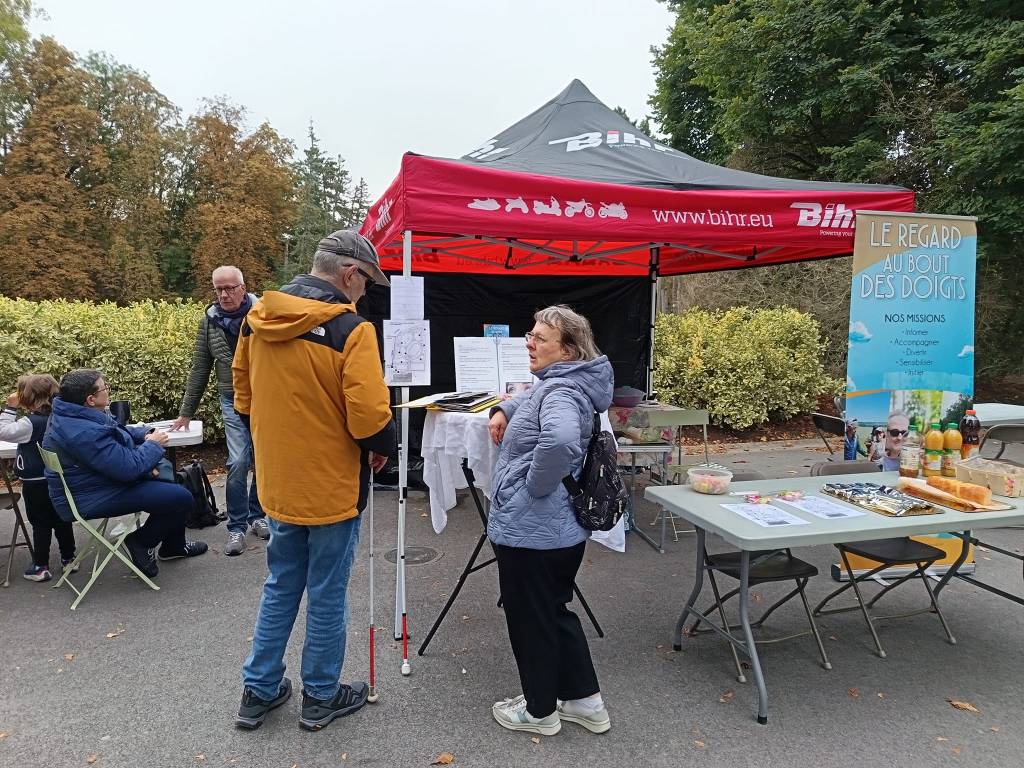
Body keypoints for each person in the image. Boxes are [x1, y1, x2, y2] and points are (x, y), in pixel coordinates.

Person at [233, 230, 397, 732]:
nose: (365, 292)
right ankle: (321, 696)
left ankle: (258, 690)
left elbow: (242, 397)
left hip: (278, 482)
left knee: (281, 584)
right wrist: (381, 450)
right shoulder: (353, 330)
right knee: (327, 592)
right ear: (350, 274)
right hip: (331, 486)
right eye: (366, 282)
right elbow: (370, 418)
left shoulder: (253, 322)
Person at [486, 305, 613, 737]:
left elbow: (558, 441)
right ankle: (586, 703)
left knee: (531, 618)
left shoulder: (561, 392)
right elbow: (539, 398)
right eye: (531, 333)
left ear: (569, 350)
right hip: (555, 530)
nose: (529, 342)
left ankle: (540, 711)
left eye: (541, 338)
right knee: (554, 611)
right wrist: (505, 407)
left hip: (535, 527)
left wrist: (531, 487)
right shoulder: (567, 383)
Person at [42, 369, 208, 578]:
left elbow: (117, 430)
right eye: (105, 388)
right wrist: (153, 447)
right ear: (91, 399)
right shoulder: (82, 431)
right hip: (88, 496)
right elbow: (128, 470)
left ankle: (174, 547)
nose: (108, 391)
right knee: (180, 497)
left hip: (92, 484)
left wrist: (146, 434)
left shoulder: (72, 413)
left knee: (173, 485)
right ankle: (140, 542)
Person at [171, 266, 266, 556]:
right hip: (233, 399)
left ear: (243, 286)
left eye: (229, 288)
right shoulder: (210, 321)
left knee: (264, 459)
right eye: (218, 289)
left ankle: (258, 515)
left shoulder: (264, 313)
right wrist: (186, 412)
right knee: (238, 462)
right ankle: (236, 527)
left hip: (266, 398)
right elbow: (201, 367)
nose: (224, 294)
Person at [1, 374, 77, 581]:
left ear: (26, 397)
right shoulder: (60, 419)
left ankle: (40, 566)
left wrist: (10, 408)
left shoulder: (29, 423)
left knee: (40, 523)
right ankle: (69, 559)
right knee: (63, 519)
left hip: (35, 483)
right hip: (59, 480)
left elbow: (3, 431)